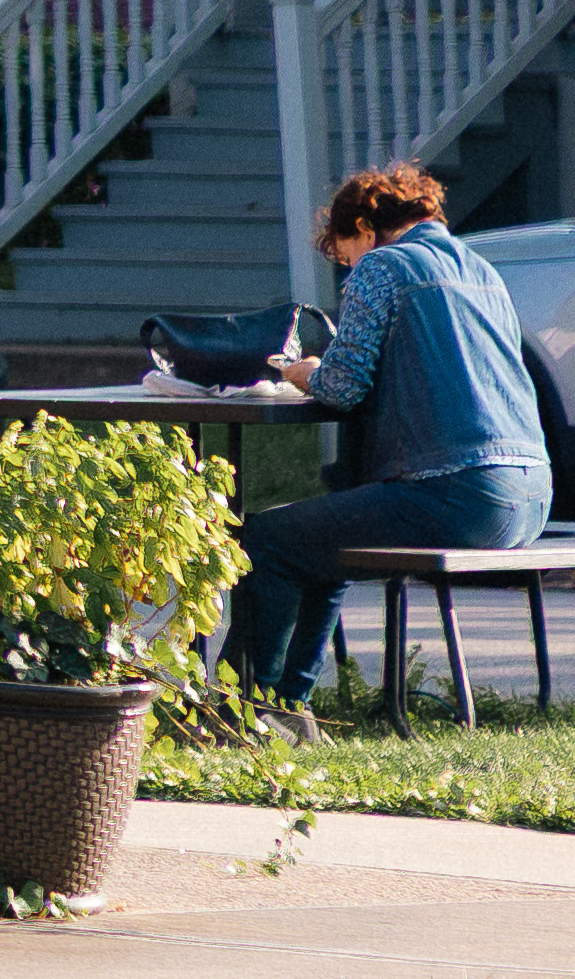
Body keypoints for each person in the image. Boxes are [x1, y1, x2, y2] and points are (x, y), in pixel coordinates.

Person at [224, 162, 554, 711]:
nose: (347, 267)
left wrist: (304, 371)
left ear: (365, 228)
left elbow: (344, 386)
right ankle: (285, 708)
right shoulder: (481, 270)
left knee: (268, 539)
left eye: (343, 253)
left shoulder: (383, 265)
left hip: (457, 493)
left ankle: (241, 710)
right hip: (530, 496)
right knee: (324, 538)